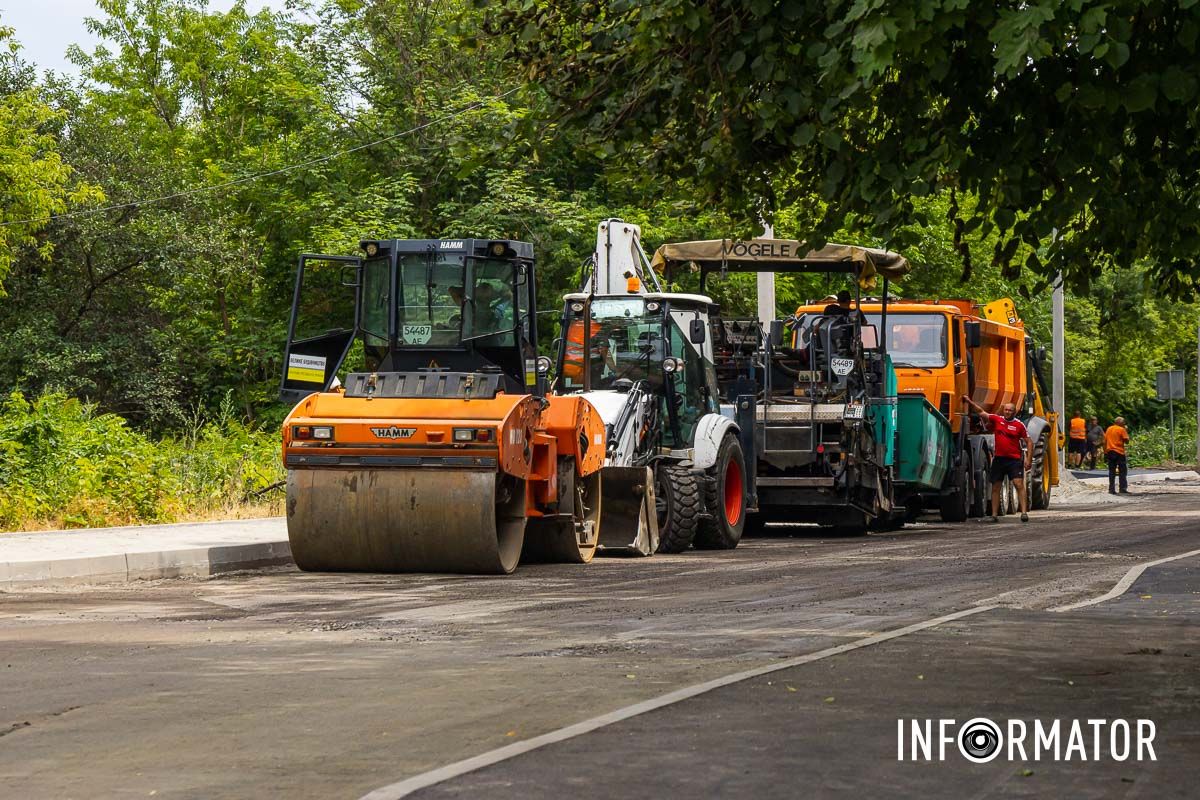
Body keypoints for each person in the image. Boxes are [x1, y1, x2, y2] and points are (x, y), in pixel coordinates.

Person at [963, 396, 1033, 522]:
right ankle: (994, 515)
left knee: (1018, 484)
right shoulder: (997, 420)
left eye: (1009, 410)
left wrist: (1028, 459)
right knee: (996, 486)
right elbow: (981, 412)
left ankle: (1024, 513)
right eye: (1005, 410)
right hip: (999, 459)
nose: (1007, 412)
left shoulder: (1019, 425)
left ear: (1014, 412)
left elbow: (1029, 442)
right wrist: (969, 402)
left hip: (1014, 460)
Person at [1104, 417, 1131, 494]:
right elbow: (1127, 441)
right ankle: (1122, 488)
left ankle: (1111, 489)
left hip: (1110, 451)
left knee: (1111, 471)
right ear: (1120, 423)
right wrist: (1125, 430)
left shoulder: (1109, 429)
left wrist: (1105, 451)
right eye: (1123, 422)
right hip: (1119, 452)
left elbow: (1104, 440)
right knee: (1122, 471)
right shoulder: (1121, 429)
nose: (1124, 424)